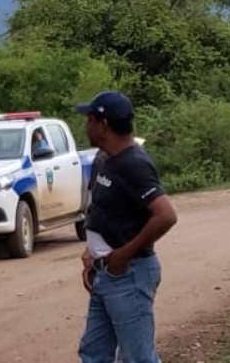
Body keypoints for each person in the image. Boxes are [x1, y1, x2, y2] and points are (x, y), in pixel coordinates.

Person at [76, 91, 178, 363]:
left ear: (103, 124)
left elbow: (166, 215)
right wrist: (92, 253)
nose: (86, 126)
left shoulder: (134, 164)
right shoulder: (106, 159)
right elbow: (106, 212)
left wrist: (124, 254)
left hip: (128, 274)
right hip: (105, 273)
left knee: (137, 358)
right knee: (93, 354)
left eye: (89, 120)